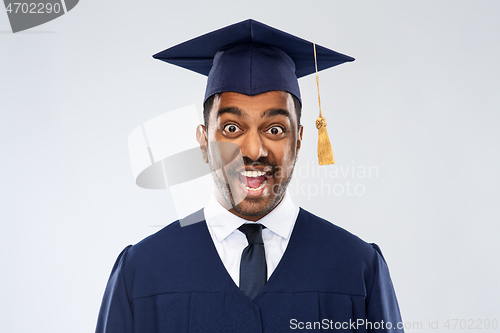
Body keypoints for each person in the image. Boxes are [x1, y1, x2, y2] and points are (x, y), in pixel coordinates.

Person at [96, 19, 404, 333]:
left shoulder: (357, 268)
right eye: (231, 128)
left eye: (275, 129)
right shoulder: (142, 271)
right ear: (203, 142)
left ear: (298, 141)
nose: (254, 150)